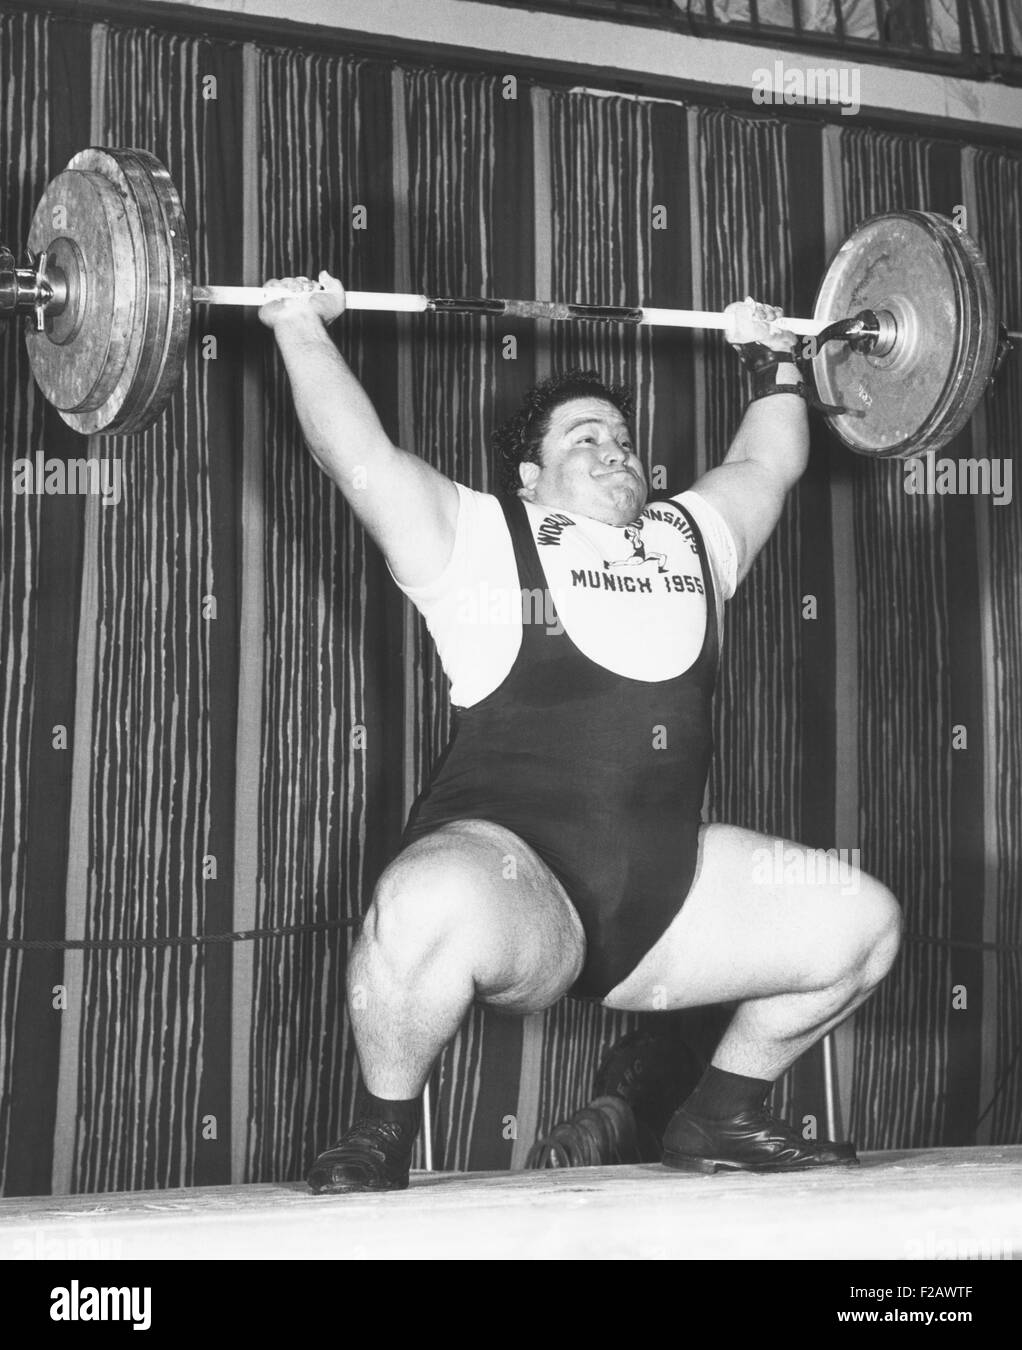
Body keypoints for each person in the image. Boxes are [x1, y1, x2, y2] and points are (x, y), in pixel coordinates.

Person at [258, 273, 902, 1192]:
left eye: (625, 439)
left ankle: (720, 1114)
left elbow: (769, 464)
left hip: (667, 900)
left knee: (863, 925)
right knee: (420, 903)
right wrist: (297, 327)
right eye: (585, 437)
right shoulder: (478, 539)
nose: (615, 451)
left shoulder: (688, 539)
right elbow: (354, 452)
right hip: (517, 887)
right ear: (531, 476)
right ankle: (379, 1133)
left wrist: (776, 362)